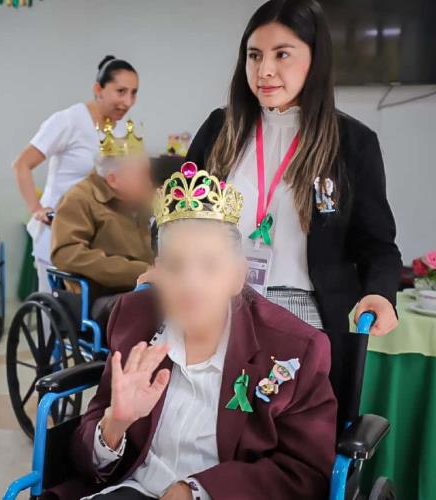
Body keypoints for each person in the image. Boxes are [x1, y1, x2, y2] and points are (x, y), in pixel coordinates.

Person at [58, 165, 337, 500]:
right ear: (158, 272)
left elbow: (305, 473)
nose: (191, 284)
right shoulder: (134, 319)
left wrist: (194, 491)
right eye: (175, 266)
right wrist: (114, 424)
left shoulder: (296, 348)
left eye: (209, 266)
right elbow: (84, 458)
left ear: (237, 275)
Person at [184, 1, 400, 362]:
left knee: (284, 414)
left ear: (316, 60)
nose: (264, 70)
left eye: (282, 55)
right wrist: (164, 261)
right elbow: (177, 214)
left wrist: (380, 293)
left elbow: (378, 245)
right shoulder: (220, 130)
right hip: (214, 300)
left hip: (303, 309)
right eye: (254, 56)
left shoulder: (351, 142)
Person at [13, 55, 139, 297]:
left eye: (134, 93)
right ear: (98, 89)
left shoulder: (123, 128)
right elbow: (21, 165)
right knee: (54, 313)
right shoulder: (69, 121)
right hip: (60, 233)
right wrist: (37, 208)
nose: (128, 101)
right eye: (121, 91)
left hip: (98, 239)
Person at [50, 120, 154, 325]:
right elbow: (66, 254)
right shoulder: (79, 199)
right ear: (114, 179)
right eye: (142, 175)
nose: (149, 182)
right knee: (149, 307)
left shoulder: (143, 200)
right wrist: (141, 271)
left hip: (148, 285)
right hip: (102, 296)